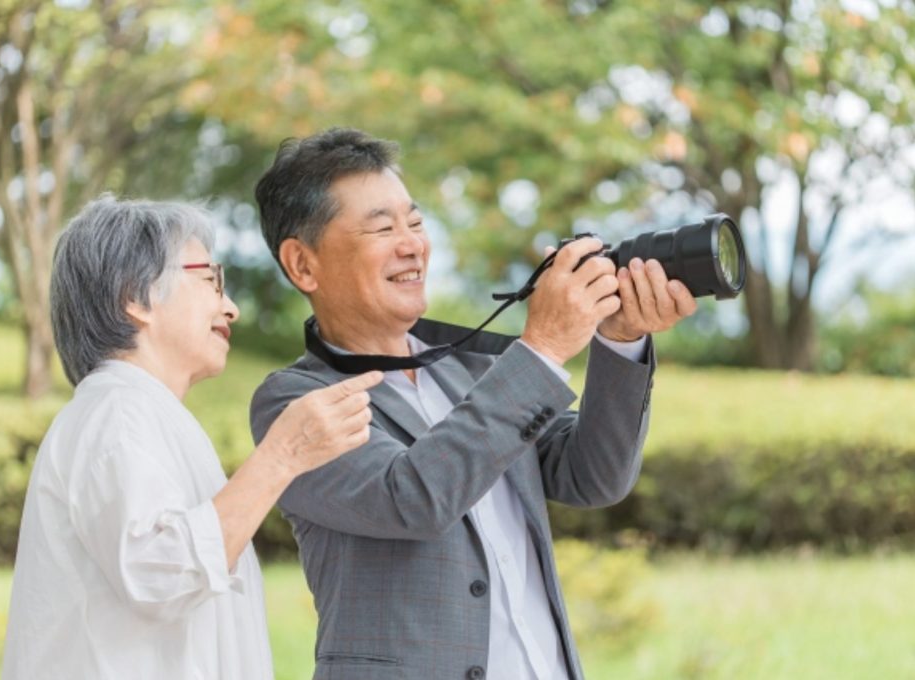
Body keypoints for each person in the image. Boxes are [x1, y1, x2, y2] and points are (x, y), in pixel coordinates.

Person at [250, 128, 696, 680]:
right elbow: (411, 497)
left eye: (415, 222)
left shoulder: (473, 369)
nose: (412, 244)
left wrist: (620, 338)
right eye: (382, 227)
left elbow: (595, 477)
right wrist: (544, 347)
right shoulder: (295, 403)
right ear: (303, 264)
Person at [2, 195, 382, 680]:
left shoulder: (142, 414)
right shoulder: (117, 413)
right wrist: (283, 455)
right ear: (134, 298)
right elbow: (160, 572)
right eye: (211, 279)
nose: (232, 307)